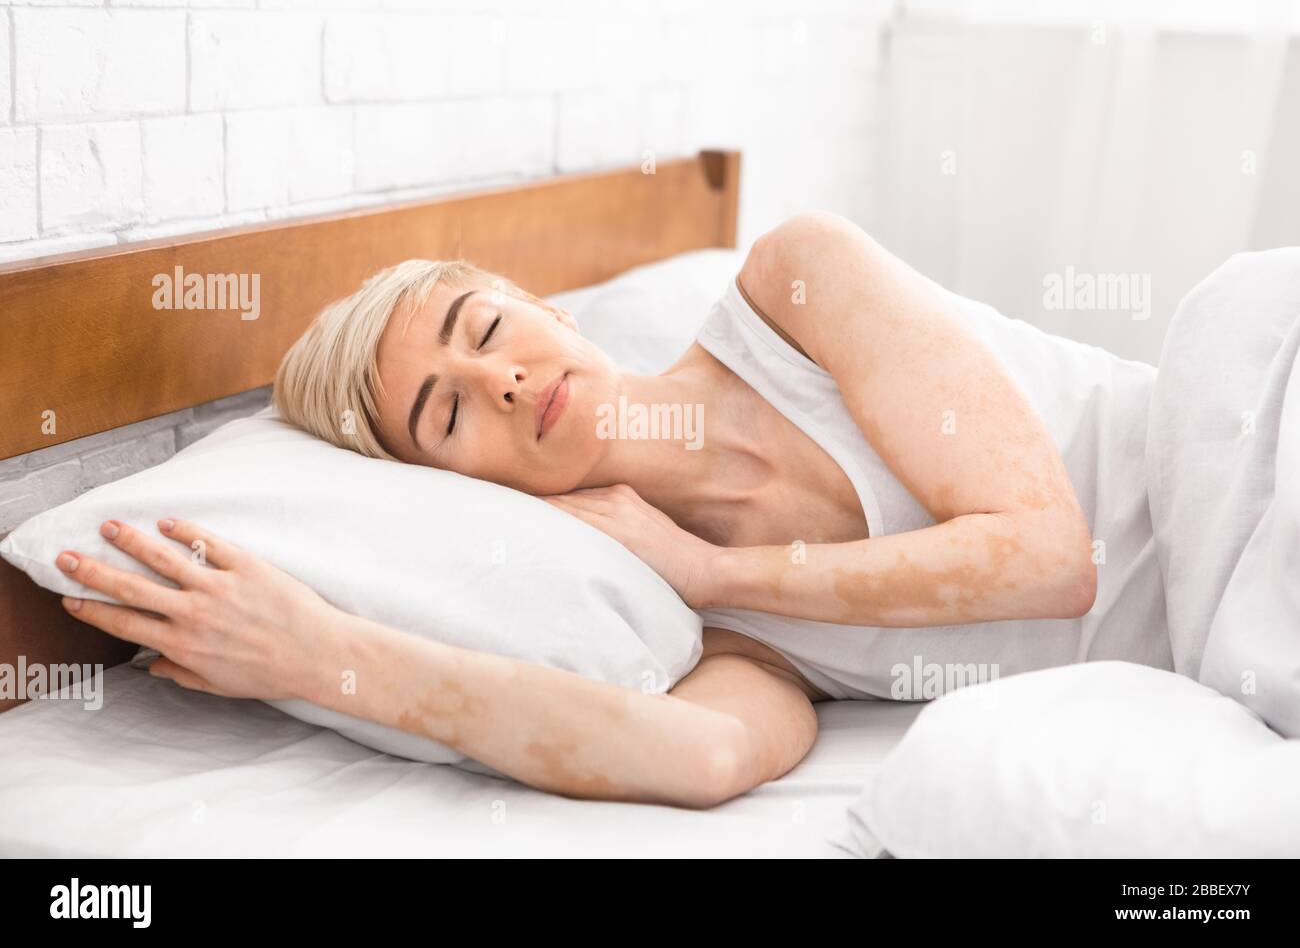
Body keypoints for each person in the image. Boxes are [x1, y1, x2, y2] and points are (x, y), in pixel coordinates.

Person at [54, 212, 1170, 807]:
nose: (497, 382)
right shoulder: (730, 643)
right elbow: (704, 758)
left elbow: (1046, 556)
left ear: (539, 305)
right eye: (447, 417)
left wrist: (713, 569)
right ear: (455, 489)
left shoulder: (797, 285)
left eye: (486, 330)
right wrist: (317, 652)